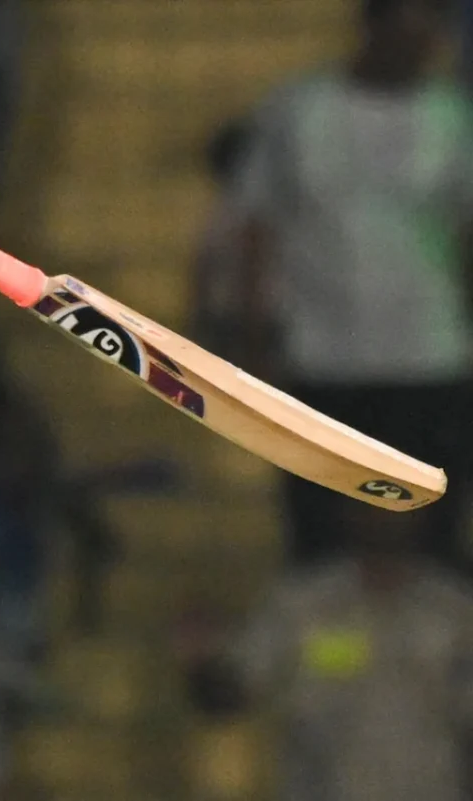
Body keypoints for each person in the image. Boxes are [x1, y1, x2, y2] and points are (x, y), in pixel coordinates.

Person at [232, 0, 473, 568]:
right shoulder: (299, 108)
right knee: (320, 533)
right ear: (373, 26)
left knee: (433, 535)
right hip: (323, 357)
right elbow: (258, 224)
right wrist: (255, 335)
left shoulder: (454, 116)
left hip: (430, 357)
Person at [173, 505, 473, 801]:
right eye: (372, 501)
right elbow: (233, 692)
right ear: (349, 509)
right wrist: (201, 662)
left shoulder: (456, 609)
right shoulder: (301, 605)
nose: (384, 514)